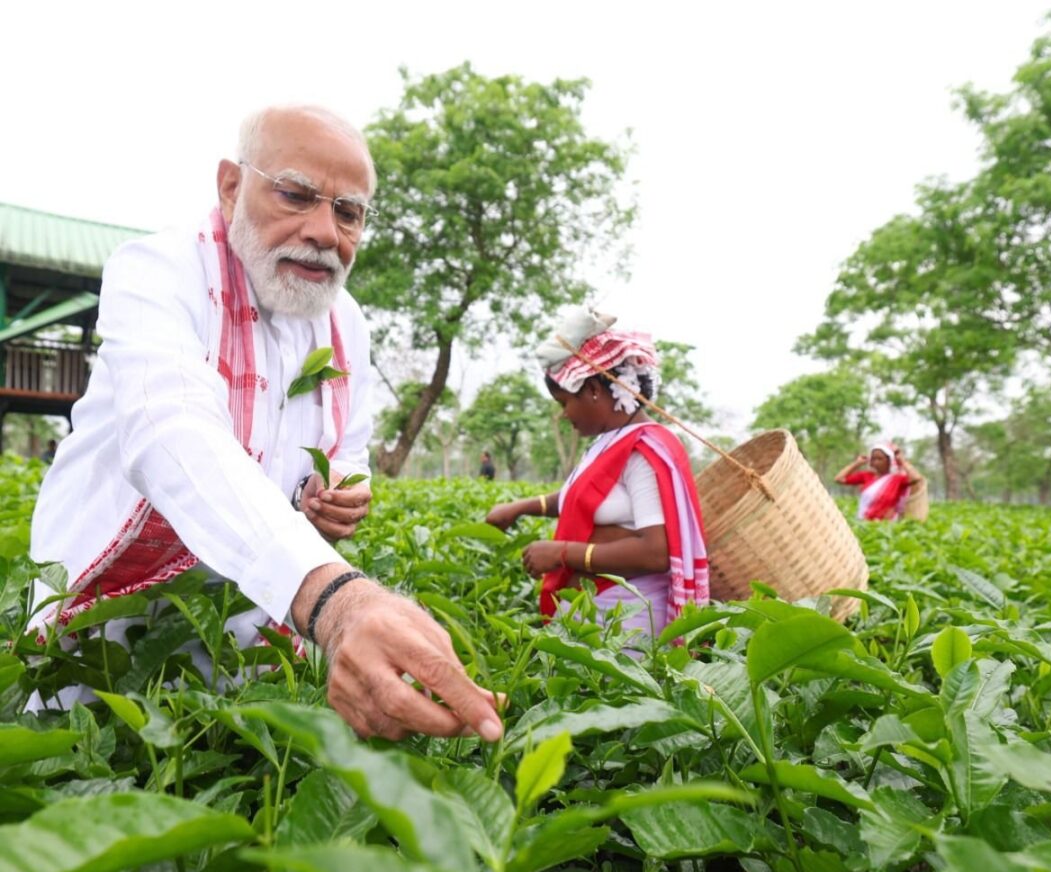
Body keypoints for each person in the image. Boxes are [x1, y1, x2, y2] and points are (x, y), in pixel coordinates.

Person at [27, 105, 504, 743]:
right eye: (296, 194)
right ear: (231, 186)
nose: (324, 232)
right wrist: (337, 600)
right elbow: (171, 429)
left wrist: (341, 493)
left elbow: (349, 446)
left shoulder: (346, 323)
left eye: (348, 212)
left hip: (248, 633)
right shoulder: (160, 272)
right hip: (108, 630)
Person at [485, 309, 707, 639]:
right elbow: (585, 499)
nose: (564, 415)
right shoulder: (610, 442)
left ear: (592, 389)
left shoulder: (643, 450)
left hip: (629, 625)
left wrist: (560, 552)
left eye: (564, 402)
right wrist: (520, 508)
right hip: (600, 617)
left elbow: (656, 552)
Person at [835, 443, 921, 521]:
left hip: (886, 525)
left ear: (889, 461)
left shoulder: (897, 479)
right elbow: (839, 479)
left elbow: (916, 478)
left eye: (880, 459)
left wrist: (902, 461)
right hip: (864, 522)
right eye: (873, 459)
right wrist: (857, 463)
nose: (876, 462)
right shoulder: (866, 476)